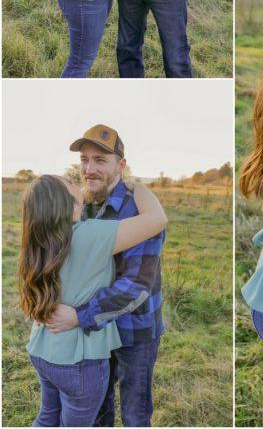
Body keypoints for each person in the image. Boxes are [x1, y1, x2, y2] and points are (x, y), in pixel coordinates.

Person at [19, 173, 167, 426]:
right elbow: (157, 220)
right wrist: (139, 189)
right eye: (69, 182)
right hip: (78, 362)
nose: (78, 180)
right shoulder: (91, 234)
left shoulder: (37, 239)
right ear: (64, 201)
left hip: (42, 350)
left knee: (47, 417)